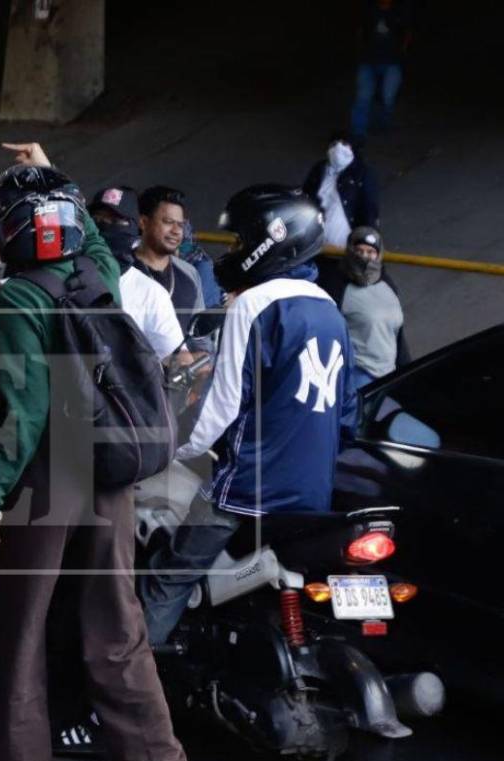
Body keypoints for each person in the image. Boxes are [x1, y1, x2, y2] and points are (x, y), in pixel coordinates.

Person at [0, 145, 199, 761]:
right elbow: (91, 232)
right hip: (112, 475)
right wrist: (57, 174)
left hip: (47, 481)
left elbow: (24, 409)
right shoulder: (99, 270)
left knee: (21, 630)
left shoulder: (19, 297)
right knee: (119, 628)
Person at [138, 185, 356, 648]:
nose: (235, 250)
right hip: (314, 494)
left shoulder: (254, 305)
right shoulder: (332, 311)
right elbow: (347, 416)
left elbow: (222, 407)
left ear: (270, 242)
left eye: (241, 241)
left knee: (170, 576)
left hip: (248, 487)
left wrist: (171, 449)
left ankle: (130, 681)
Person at [88, 184, 185, 361]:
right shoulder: (64, 277)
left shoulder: (151, 294)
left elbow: (179, 362)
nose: (105, 227)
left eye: (116, 221)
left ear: (136, 227)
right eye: (98, 219)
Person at [317, 226, 410, 388]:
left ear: (378, 254)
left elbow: (397, 334)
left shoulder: (387, 285)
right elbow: (325, 336)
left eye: (371, 252)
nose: (365, 257)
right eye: (359, 251)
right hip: (358, 378)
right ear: (350, 251)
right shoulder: (337, 287)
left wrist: (407, 370)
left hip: (389, 374)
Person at [133, 184, 206, 333]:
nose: (176, 231)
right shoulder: (123, 270)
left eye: (180, 225)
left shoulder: (189, 273)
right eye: (168, 222)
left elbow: (199, 337)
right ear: (144, 223)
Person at [303, 131, 379, 252]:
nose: (338, 147)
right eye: (334, 144)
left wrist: (367, 242)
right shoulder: (320, 170)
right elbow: (305, 198)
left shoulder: (362, 173)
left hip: (344, 250)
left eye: (344, 143)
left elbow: (369, 210)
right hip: (313, 247)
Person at [350, 0, 413, 140]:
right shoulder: (368, 10)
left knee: (387, 97)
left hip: (392, 62)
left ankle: (381, 124)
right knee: (363, 97)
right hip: (368, 61)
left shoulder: (399, 12)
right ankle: (358, 133)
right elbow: (360, 31)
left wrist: (403, 51)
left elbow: (407, 32)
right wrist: (360, 51)